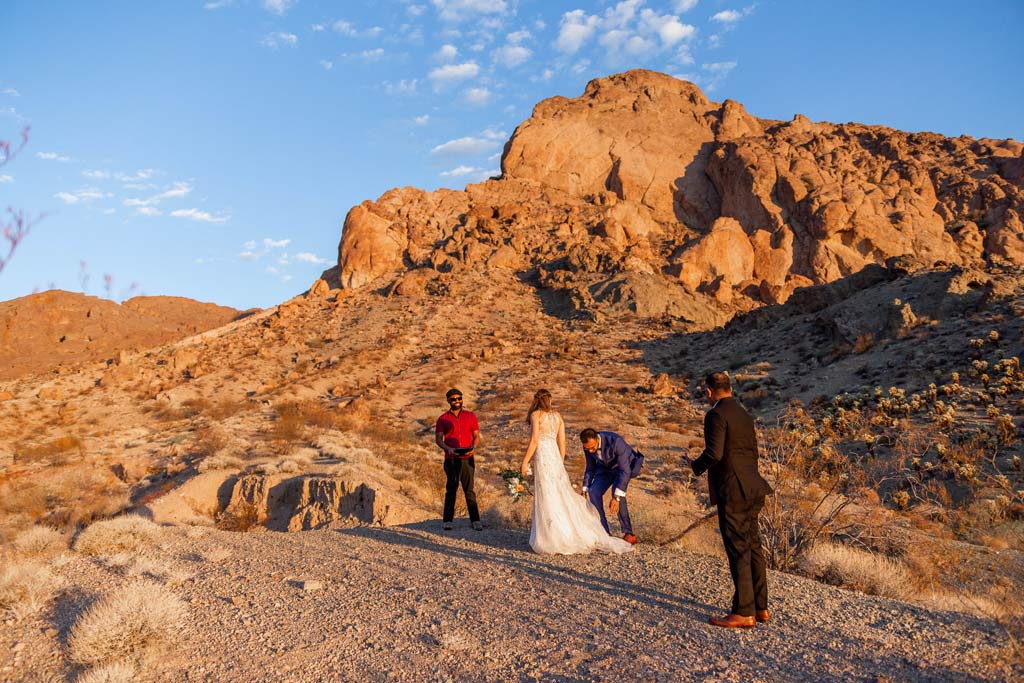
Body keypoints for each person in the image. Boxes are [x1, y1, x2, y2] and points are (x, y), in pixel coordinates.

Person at [686, 372, 773, 628]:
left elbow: (714, 453)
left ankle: (744, 612)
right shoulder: (744, 414)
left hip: (733, 491)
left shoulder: (715, 415)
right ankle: (761, 607)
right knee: (753, 547)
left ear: (710, 391)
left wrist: (695, 466)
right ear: (730, 388)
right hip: (753, 487)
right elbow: (752, 452)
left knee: (738, 549)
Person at [520, 390, 633, 555]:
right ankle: (563, 533)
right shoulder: (557, 416)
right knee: (559, 494)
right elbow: (563, 441)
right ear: (549, 400)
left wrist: (524, 462)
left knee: (548, 493)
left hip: (543, 456)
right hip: (554, 458)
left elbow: (535, 440)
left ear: (536, 401)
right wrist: (559, 461)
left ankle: (551, 537)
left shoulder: (536, 415)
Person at [579, 428, 644, 545]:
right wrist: (585, 488)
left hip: (625, 467)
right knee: (593, 492)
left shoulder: (615, 441)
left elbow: (624, 470)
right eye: (587, 449)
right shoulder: (587, 447)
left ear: (596, 439)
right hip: (605, 469)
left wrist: (616, 498)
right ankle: (603, 531)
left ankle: (628, 533)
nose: (591, 451)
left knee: (618, 492)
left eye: (592, 447)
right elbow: (590, 467)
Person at [435, 388, 482, 531]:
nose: (457, 401)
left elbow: (476, 436)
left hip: (467, 458)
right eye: (453, 399)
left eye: (459, 398)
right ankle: (447, 521)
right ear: (448, 401)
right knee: (451, 489)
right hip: (451, 458)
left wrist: (474, 447)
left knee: (469, 489)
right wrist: (447, 448)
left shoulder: (471, 416)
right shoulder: (443, 418)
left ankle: (475, 520)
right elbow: (438, 439)